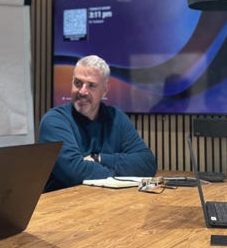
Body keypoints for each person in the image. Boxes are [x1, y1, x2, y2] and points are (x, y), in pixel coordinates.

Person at [39, 55, 156, 191]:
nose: (82, 91)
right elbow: (74, 173)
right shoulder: (54, 121)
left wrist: (99, 159)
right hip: (64, 202)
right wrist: (120, 177)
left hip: (109, 201)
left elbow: (147, 164)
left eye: (91, 85)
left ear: (104, 90)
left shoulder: (117, 118)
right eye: (78, 83)